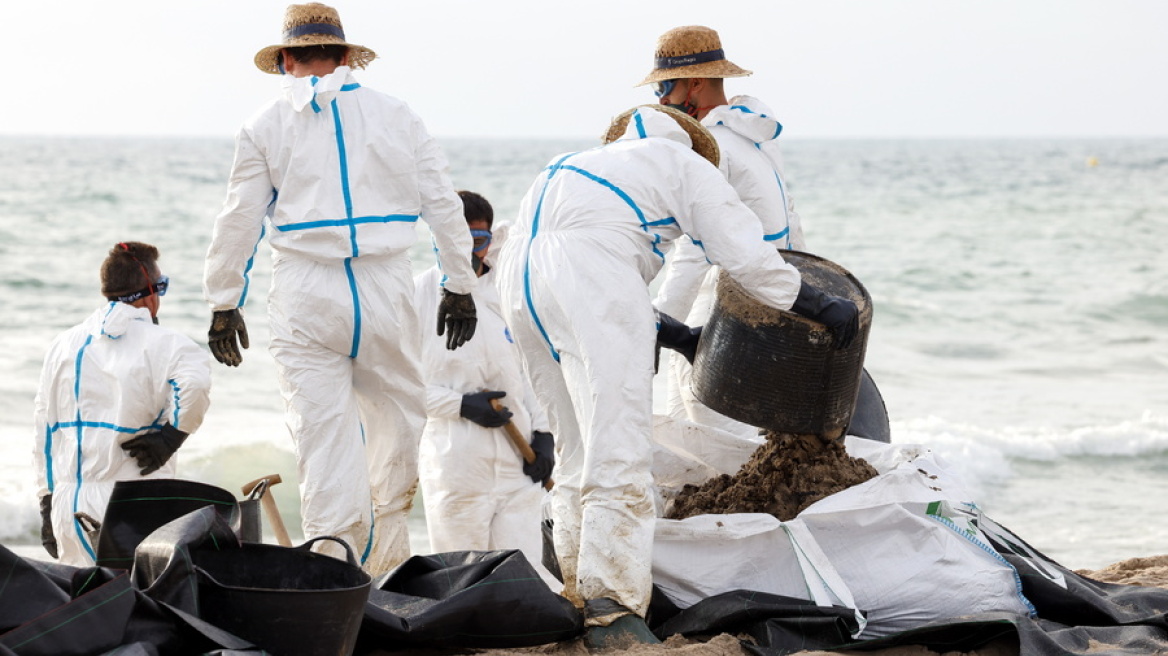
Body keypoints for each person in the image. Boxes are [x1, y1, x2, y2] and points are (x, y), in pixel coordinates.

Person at [495, 105, 858, 647]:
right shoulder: (681, 162)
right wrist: (815, 303)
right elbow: (743, 253)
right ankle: (611, 609)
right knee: (618, 444)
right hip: (584, 276)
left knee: (574, 446)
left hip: (519, 283)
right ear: (690, 144)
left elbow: (585, 261)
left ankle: (573, 587)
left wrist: (682, 337)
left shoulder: (572, 164)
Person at [202, 3, 478, 575]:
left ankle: (333, 569)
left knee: (322, 438)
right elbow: (443, 203)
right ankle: (385, 563)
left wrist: (224, 301)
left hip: (307, 290)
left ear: (284, 59)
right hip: (385, 282)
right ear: (349, 57)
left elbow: (239, 220)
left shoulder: (263, 125)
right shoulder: (397, 113)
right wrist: (459, 282)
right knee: (398, 422)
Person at [641, 25, 808, 439]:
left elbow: (697, 249)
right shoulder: (756, 138)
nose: (660, 102)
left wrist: (656, 325)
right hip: (767, 304)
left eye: (664, 87)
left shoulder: (708, 149)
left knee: (713, 437)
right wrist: (803, 298)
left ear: (693, 84)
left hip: (719, 311)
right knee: (728, 433)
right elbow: (792, 223)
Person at [34, 242, 211, 566]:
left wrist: (46, 504)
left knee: (86, 607)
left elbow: (44, 433)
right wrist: (173, 436)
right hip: (132, 506)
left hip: (69, 506)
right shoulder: (169, 344)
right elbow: (196, 384)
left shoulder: (62, 345)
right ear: (150, 291)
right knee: (138, 606)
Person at [412, 190, 557, 587]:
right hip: (456, 464)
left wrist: (544, 436)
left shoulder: (507, 293)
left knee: (523, 577)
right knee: (460, 579)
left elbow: (533, 371)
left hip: (518, 462)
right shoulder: (416, 297)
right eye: (459, 241)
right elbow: (402, 387)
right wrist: (461, 405)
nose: (470, 252)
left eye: (479, 241)